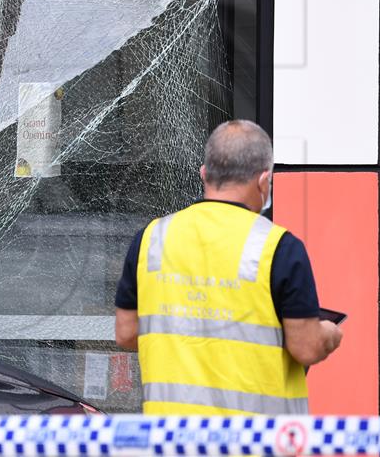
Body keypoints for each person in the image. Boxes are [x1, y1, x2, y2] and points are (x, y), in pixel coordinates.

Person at [114, 120, 343, 415]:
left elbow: (126, 333)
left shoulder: (151, 238)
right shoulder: (279, 248)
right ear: (263, 181)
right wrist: (328, 334)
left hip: (171, 440)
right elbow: (307, 348)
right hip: (254, 442)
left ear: (204, 174)